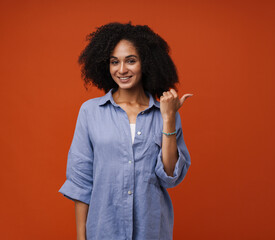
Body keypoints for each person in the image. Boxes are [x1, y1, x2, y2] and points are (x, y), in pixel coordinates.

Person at [58, 22, 192, 240]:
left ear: (146, 64)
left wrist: (168, 118)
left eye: (131, 60)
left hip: (152, 231)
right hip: (103, 231)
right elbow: (80, 182)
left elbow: (170, 177)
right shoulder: (90, 112)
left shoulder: (166, 113)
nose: (121, 70)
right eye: (114, 62)